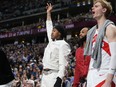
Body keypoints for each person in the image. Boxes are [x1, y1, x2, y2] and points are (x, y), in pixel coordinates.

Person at [84, 0, 116, 87]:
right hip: (92, 75)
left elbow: (115, 55)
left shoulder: (110, 28)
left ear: (104, 10)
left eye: (96, 6)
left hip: (104, 75)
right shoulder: (92, 32)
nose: (92, 8)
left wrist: (108, 81)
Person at [41, 3, 71, 87]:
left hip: (53, 76)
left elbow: (63, 64)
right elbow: (49, 26)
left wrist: (59, 79)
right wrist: (48, 13)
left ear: (60, 33)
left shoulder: (63, 45)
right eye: (52, 30)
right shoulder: (52, 42)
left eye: (54, 30)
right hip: (44, 76)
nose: (51, 32)